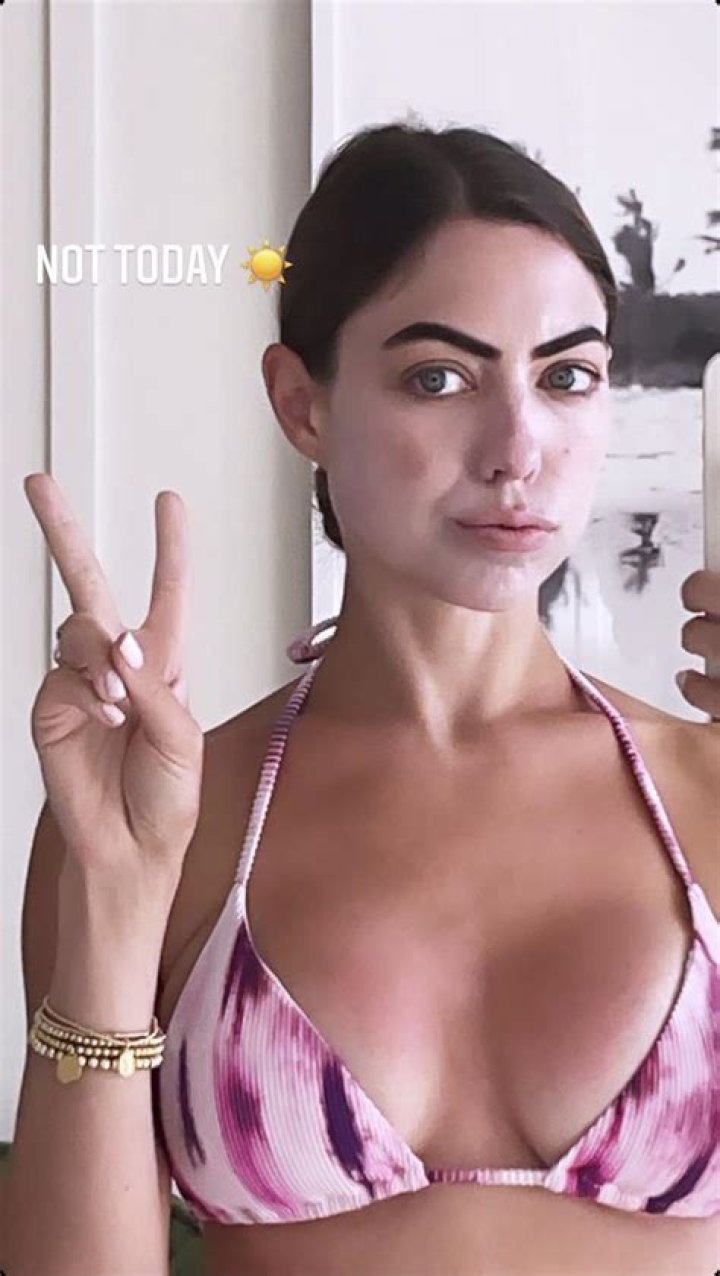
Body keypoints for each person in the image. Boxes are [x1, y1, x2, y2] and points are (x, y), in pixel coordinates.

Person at [7, 122, 719, 1276]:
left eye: (567, 376)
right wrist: (112, 906)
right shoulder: (164, 822)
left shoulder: (707, 790)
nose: (518, 446)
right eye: (440, 377)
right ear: (302, 404)